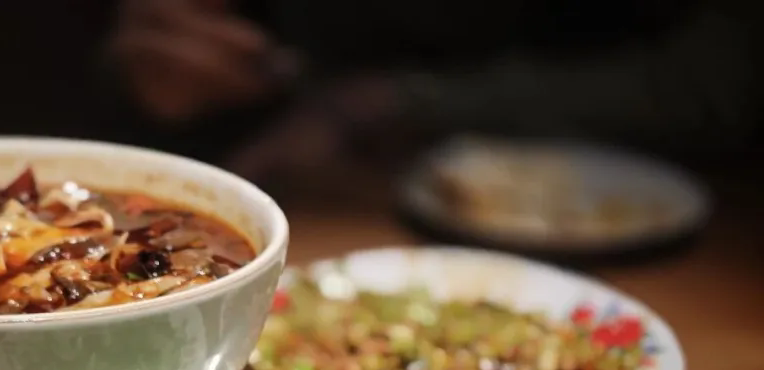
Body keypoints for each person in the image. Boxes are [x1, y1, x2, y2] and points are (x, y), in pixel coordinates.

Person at [98, 0, 760, 184]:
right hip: (286, 184)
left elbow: (713, 85)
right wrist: (150, 57)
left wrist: (398, 100)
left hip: (660, 200)